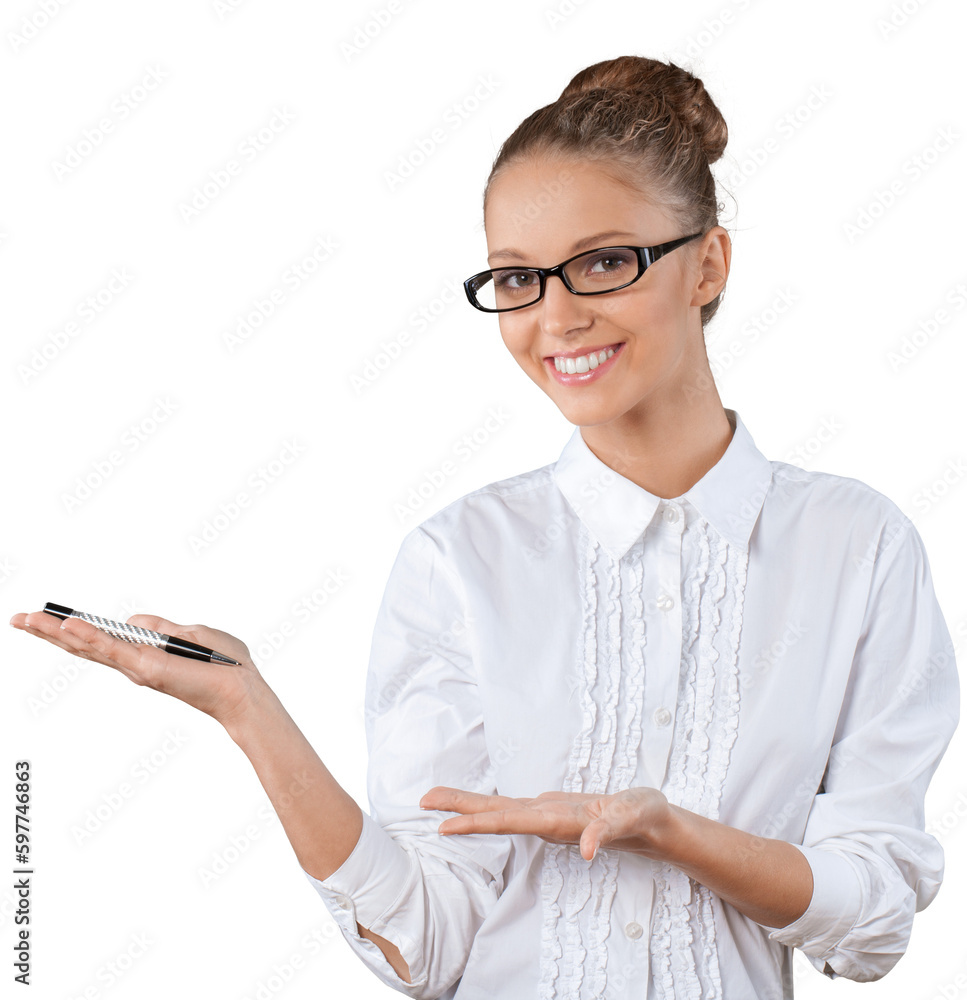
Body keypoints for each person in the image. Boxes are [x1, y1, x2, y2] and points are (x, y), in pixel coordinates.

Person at [11, 55, 960, 999]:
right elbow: (429, 944)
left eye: (601, 262)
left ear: (706, 263)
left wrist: (672, 833)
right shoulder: (457, 562)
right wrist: (247, 709)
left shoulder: (857, 546)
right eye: (516, 279)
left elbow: (870, 925)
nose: (555, 318)